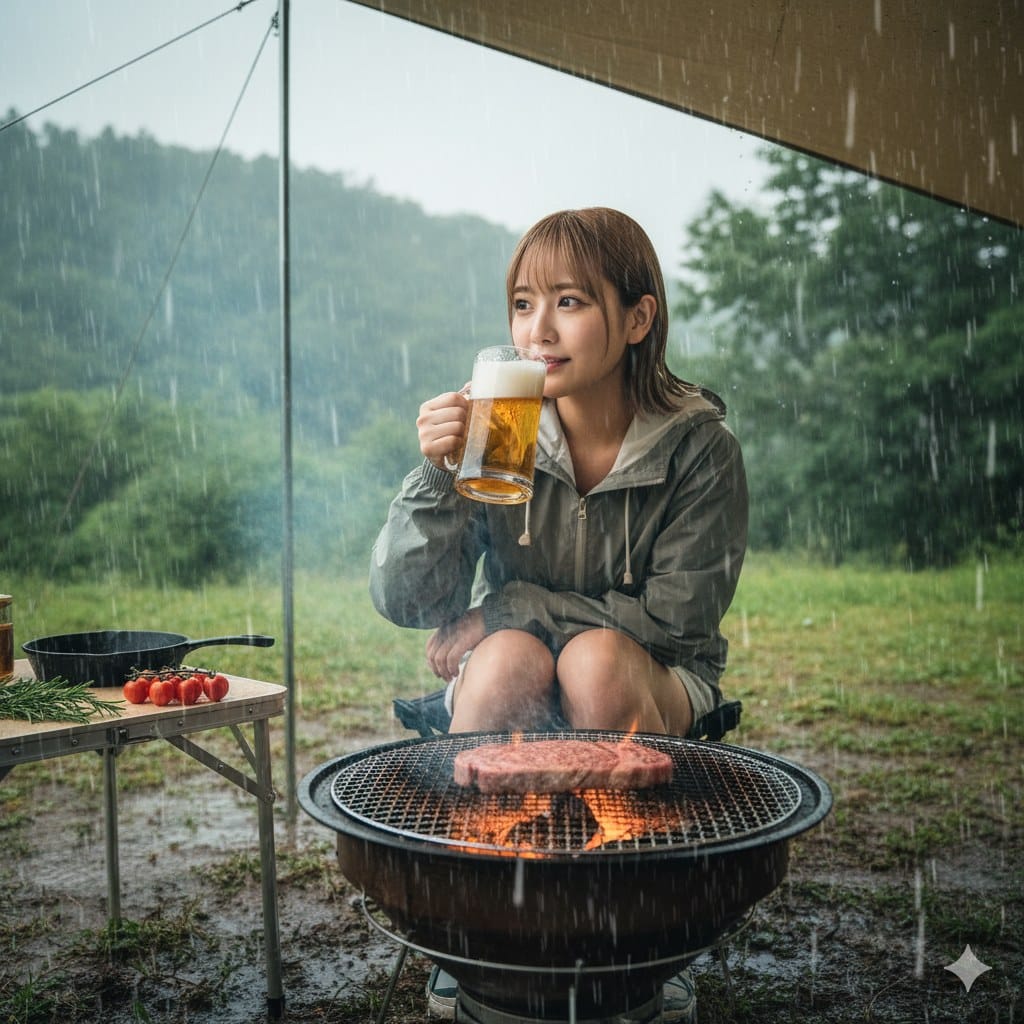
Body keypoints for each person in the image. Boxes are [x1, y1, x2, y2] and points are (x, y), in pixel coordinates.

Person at [369, 207, 748, 1022]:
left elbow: (677, 621)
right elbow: (407, 602)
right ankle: (482, 927)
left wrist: (513, 604)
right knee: (505, 662)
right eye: (521, 304)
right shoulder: (501, 430)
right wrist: (436, 475)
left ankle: (650, 937)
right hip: (521, 671)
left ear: (638, 318)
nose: (538, 330)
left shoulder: (698, 448)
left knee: (598, 664)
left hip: (656, 675)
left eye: (570, 301)